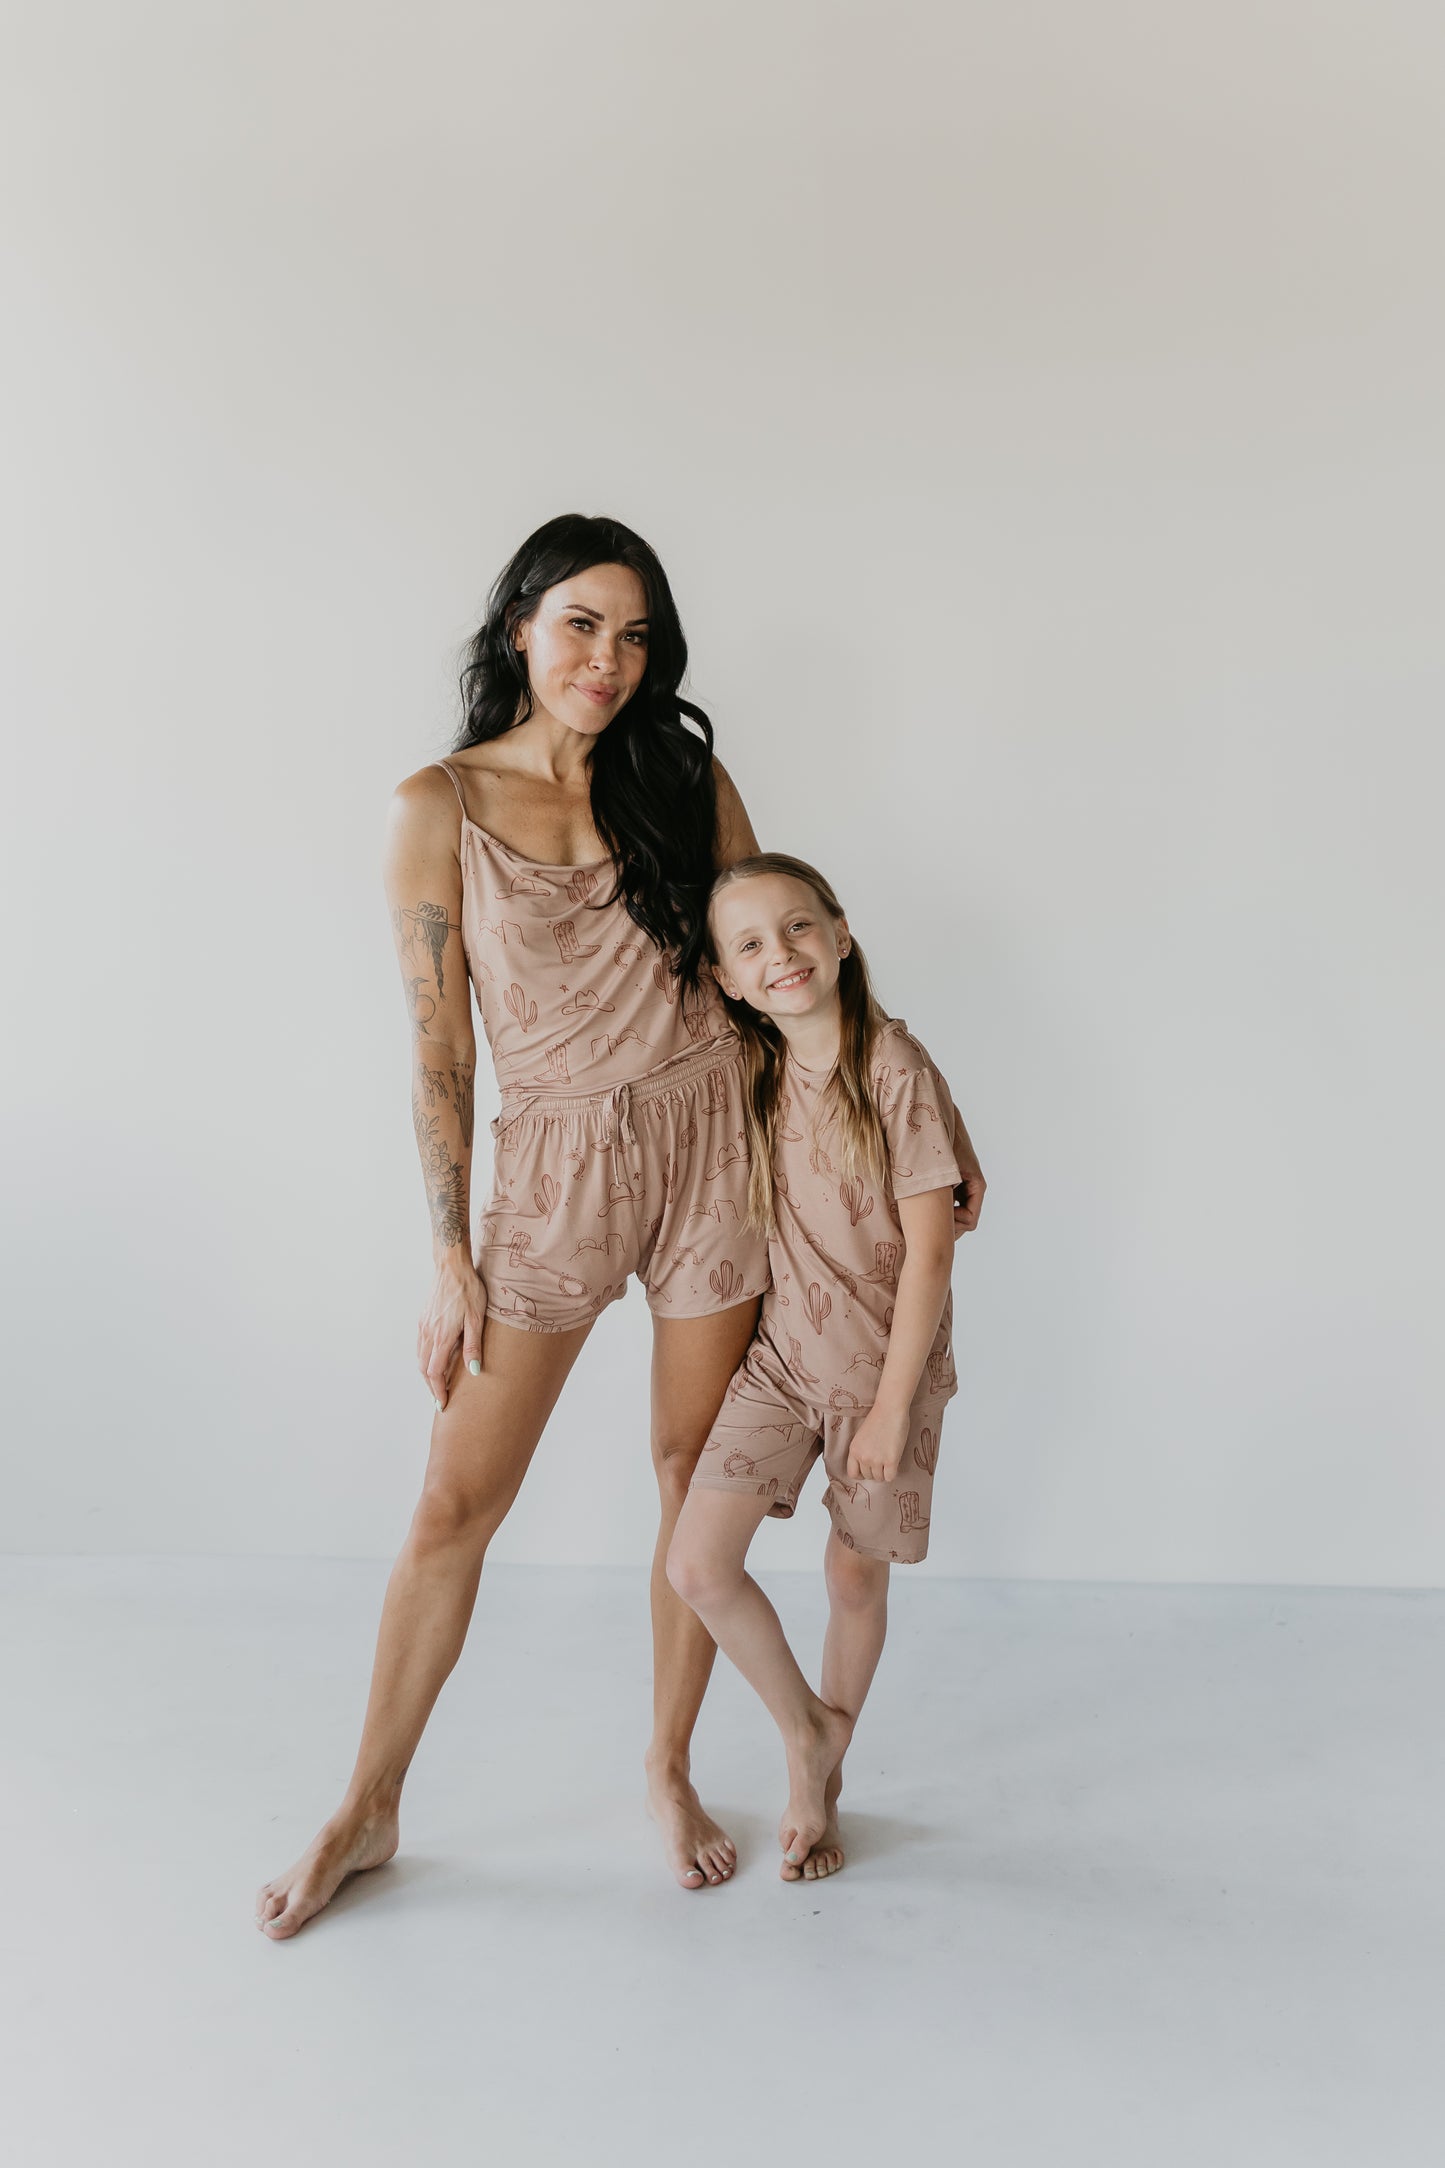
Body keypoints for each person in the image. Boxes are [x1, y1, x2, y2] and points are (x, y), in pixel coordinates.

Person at [256, 513, 776, 1936]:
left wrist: (886, 1140)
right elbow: (439, 1051)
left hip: (711, 1152)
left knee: (692, 1479)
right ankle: (368, 1804)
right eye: (580, 626)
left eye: (635, 635)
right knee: (451, 1505)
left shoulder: (683, 778)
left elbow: (771, 978)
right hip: (550, 1177)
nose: (607, 660)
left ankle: (668, 1771)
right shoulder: (437, 805)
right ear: (519, 630)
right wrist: (448, 1254)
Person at [666, 853, 980, 1881]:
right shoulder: (753, 1070)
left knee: (852, 1575)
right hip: (779, 1364)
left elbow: (933, 1244)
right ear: (725, 979)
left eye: (797, 928)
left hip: (881, 1375)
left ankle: (818, 1782)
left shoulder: (892, 1067)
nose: (780, 954)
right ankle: (808, 1728)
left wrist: (891, 1408)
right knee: (698, 1563)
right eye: (750, 944)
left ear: (840, 934)